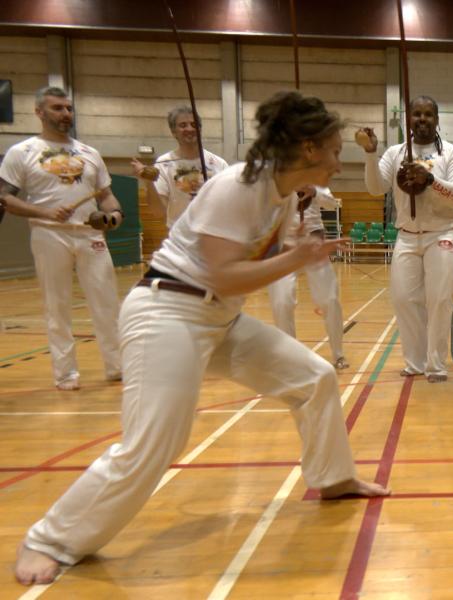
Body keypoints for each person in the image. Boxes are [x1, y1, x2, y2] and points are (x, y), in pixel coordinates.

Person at [13, 91, 390, 586]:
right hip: (168, 313)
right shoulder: (238, 186)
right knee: (155, 441)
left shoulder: (279, 195)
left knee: (313, 377)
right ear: (308, 149)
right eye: (336, 149)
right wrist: (298, 258)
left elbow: (238, 277)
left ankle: (333, 477)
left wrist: (295, 248)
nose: (339, 161)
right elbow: (224, 275)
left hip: (219, 320)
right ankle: (50, 539)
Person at [0, 86, 123, 391]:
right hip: (48, 235)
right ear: (39, 112)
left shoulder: (90, 153)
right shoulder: (22, 152)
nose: (65, 114)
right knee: (57, 306)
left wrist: (114, 216)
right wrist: (43, 211)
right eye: (57, 108)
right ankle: (66, 375)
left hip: (90, 236)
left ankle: (117, 367)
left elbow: (107, 196)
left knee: (107, 302)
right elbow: (5, 198)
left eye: (68, 108)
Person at [358, 96, 453, 383]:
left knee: (439, 300)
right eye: (416, 114)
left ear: (437, 119)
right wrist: (371, 154)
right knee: (404, 299)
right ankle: (415, 362)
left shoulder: (452, 154)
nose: (422, 119)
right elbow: (375, 188)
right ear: (408, 119)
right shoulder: (395, 152)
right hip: (407, 236)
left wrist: (430, 179)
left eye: (428, 114)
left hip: (444, 232)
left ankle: (436, 364)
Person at [267, 185, 349, 369]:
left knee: (330, 300)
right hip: (284, 247)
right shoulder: (275, 178)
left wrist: (314, 192)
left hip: (314, 246)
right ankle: (290, 357)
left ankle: (338, 355)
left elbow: (331, 204)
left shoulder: (315, 179)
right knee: (282, 302)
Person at [131, 107, 230, 229]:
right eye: (183, 125)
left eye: (194, 124)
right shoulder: (163, 164)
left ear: (200, 129)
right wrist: (148, 182)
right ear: (173, 132)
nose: (189, 129)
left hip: (212, 234)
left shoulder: (219, 164)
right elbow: (158, 212)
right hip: (179, 237)